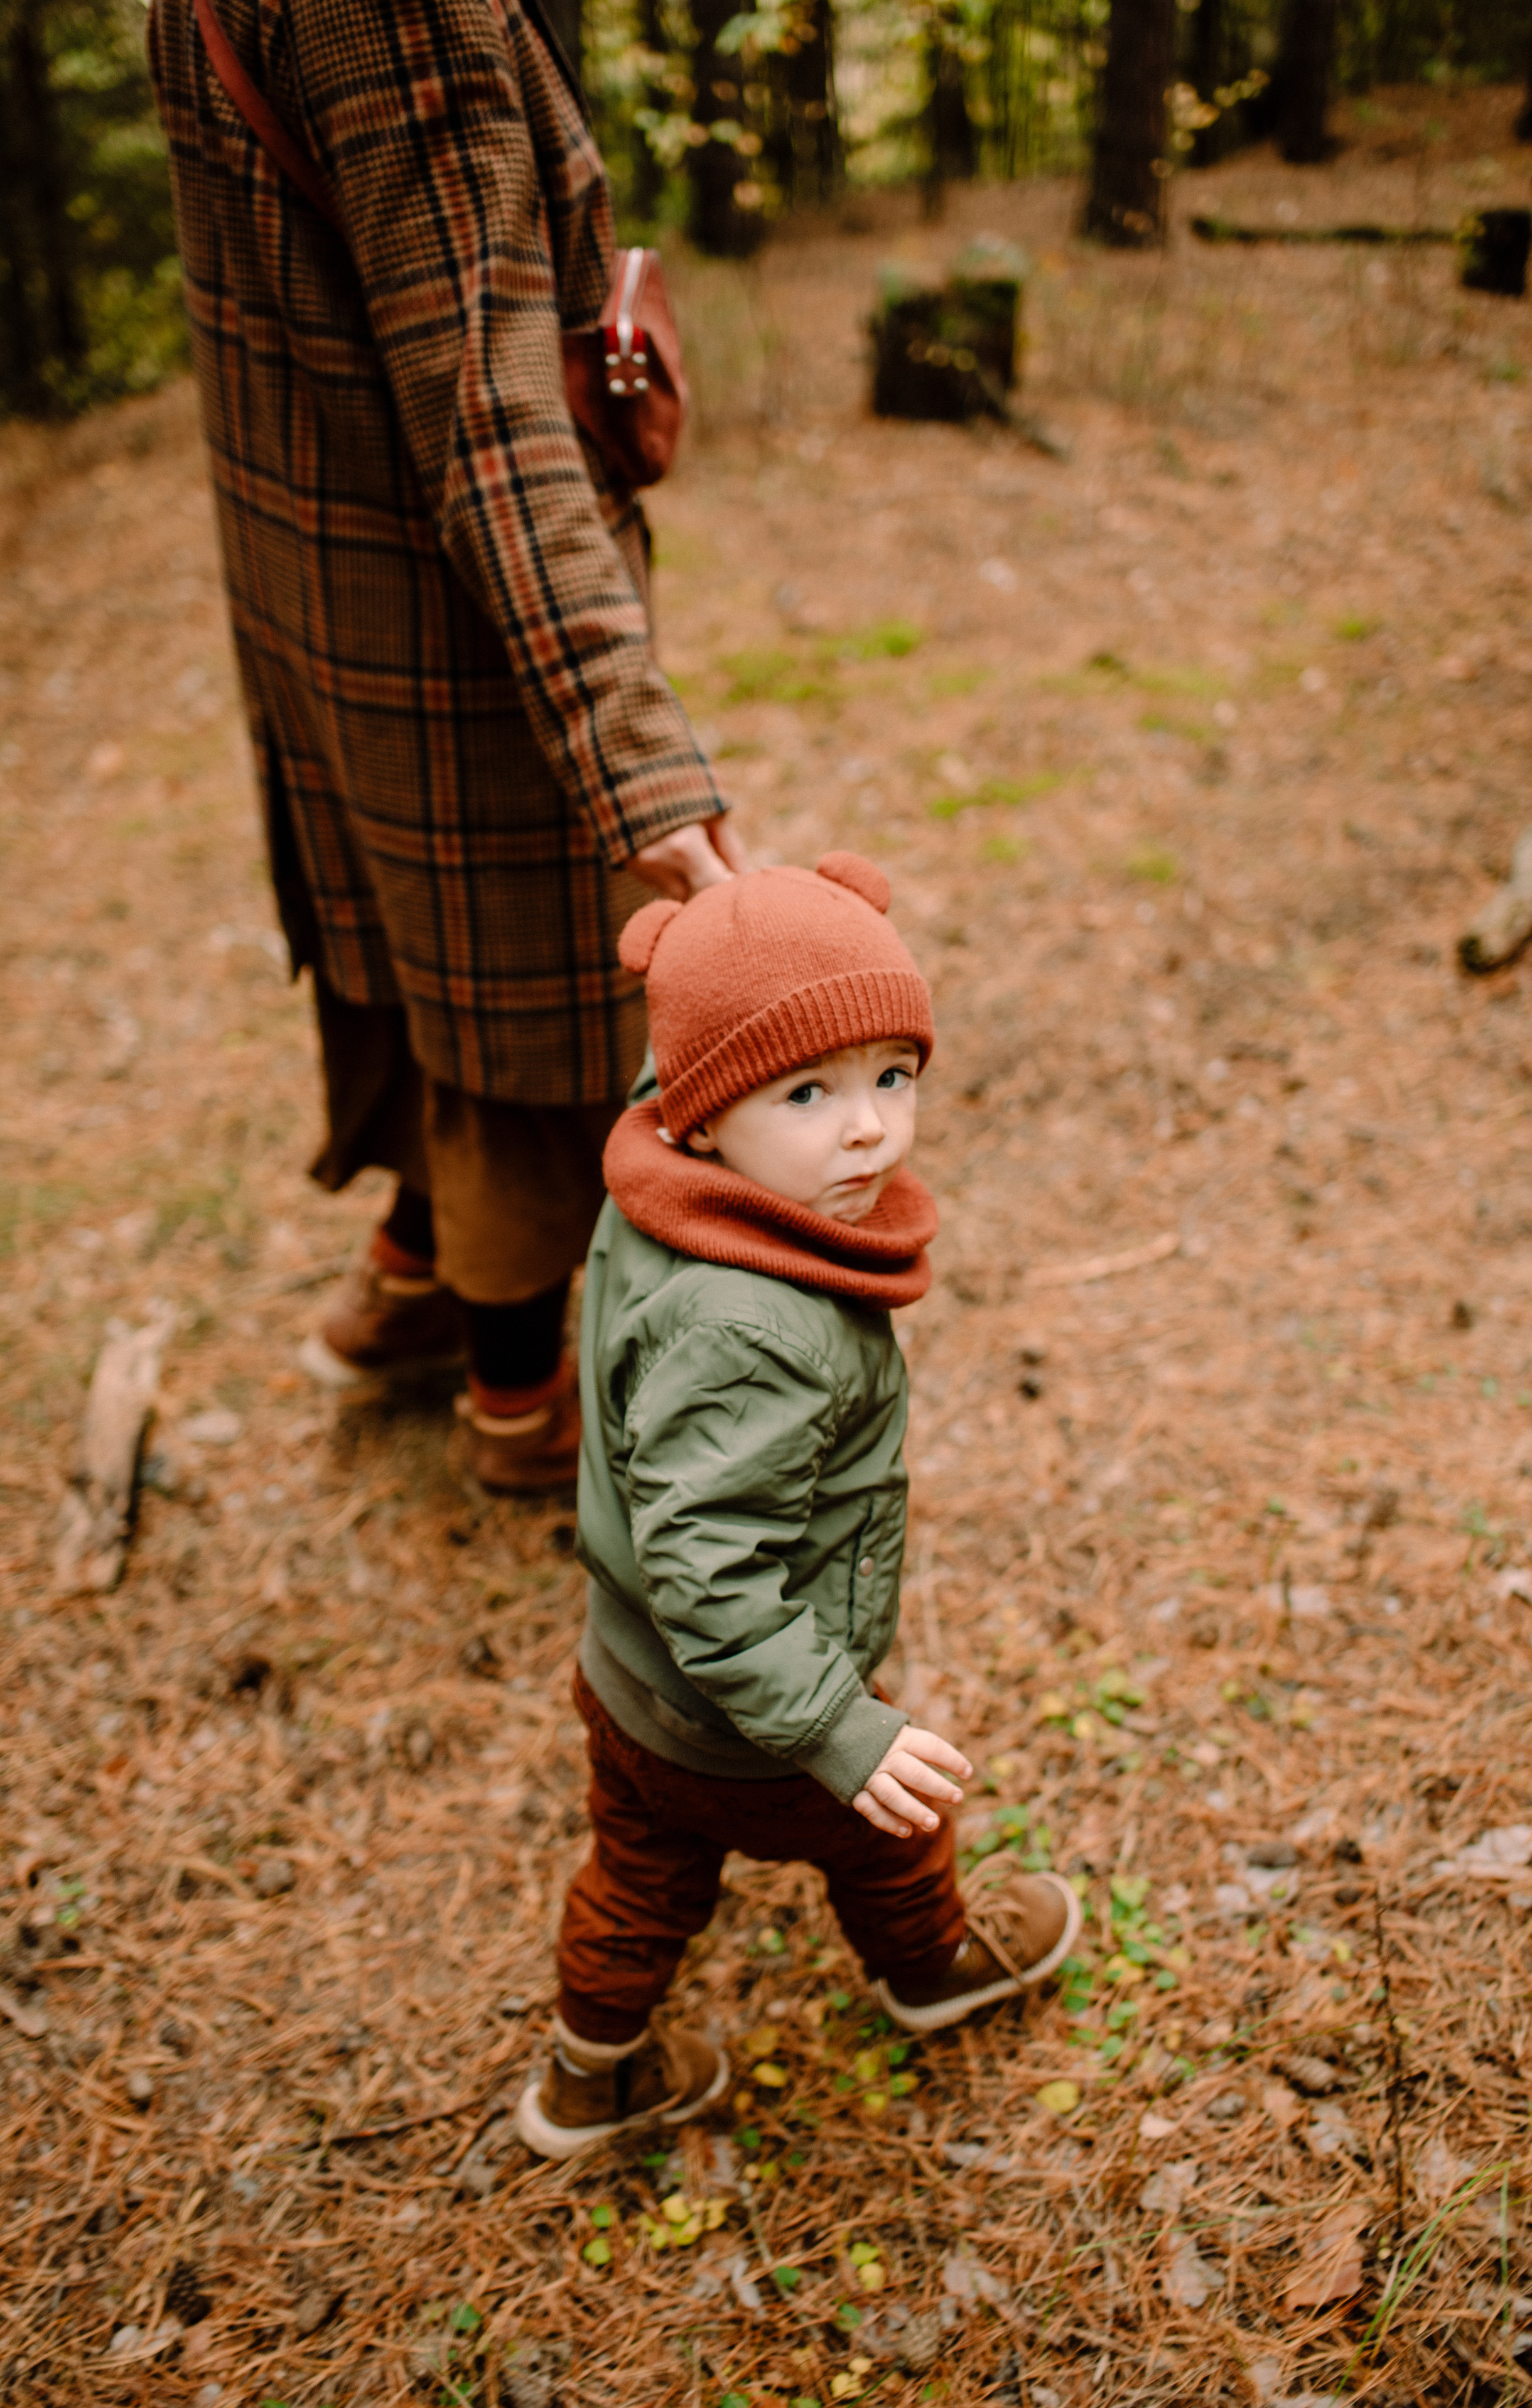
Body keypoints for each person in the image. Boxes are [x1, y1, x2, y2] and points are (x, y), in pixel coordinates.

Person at [147, 0, 741, 1493]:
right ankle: (517, 1404)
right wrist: (638, 759)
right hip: (443, 606)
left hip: (320, 555)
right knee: (516, 996)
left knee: (417, 945)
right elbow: (486, 416)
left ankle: (415, 1278)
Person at [515, 854, 1081, 2159]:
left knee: (642, 1875)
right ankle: (931, 1965)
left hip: (628, 1676)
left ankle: (583, 2080)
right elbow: (708, 1565)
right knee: (891, 1824)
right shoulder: (757, 1324)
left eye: (892, 1075)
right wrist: (836, 1726)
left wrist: (736, 938)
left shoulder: (662, 1177)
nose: (869, 1127)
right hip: (750, 1714)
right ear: (708, 1115)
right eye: (809, 1093)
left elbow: (708, 1038)